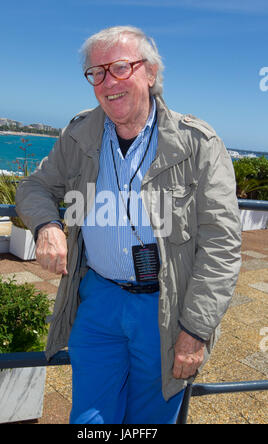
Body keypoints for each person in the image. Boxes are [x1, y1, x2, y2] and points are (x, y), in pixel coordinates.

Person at [15, 26, 241, 424]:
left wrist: (196, 328)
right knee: (88, 418)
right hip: (98, 300)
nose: (108, 83)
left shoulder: (198, 144)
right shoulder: (79, 134)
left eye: (120, 68)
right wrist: (47, 224)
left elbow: (221, 246)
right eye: (97, 73)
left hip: (164, 310)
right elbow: (34, 186)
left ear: (150, 73)